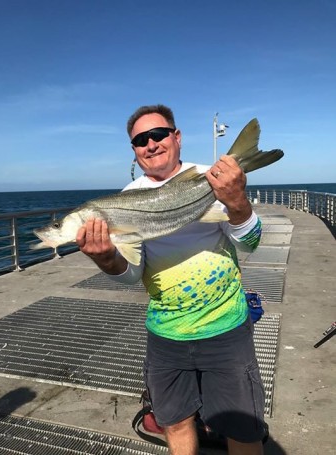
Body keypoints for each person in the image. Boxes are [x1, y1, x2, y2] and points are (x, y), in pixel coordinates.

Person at [76, 105, 266, 455]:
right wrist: (106, 258)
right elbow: (132, 274)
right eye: (140, 140)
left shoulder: (212, 176)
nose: (151, 144)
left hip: (226, 327)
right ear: (133, 150)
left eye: (158, 134)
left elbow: (250, 242)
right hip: (166, 334)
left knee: (242, 429)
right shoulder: (125, 199)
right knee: (175, 422)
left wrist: (238, 201)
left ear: (176, 137)